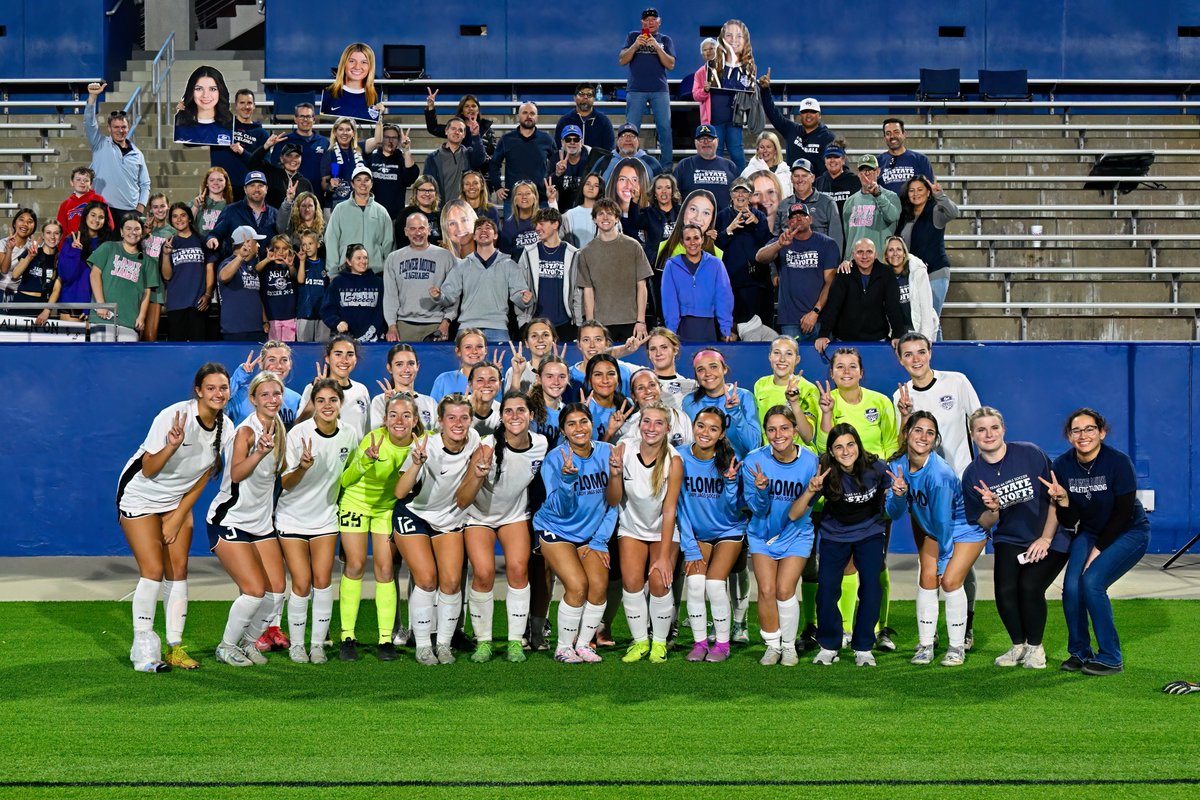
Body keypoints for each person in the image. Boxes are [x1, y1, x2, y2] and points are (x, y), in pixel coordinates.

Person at [116, 363, 233, 671]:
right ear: (198, 390)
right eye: (211, 388)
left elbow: (205, 475)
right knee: (153, 569)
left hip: (176, 501)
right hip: (140, 495)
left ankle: (175, 648)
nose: (218, 393)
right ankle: (143, 647)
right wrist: (171, 446)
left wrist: (179, 515)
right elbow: (149, 468)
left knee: (178, 569)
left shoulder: (228, 427)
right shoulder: (173, 416)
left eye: (223, 387)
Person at [960, 407, 1067, 670]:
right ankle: (1018, 645)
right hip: (1010, 537)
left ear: (1003, 429)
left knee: (1030, 587)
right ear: (973, 435)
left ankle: (1035, 648)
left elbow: (1056, 497)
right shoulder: (972, 474)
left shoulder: (1030, 453)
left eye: (994, 427)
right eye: (981, 430)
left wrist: (1045, 538)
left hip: (1052, 534)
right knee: (1005, 592)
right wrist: (993, 508)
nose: (989, 434)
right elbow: (985, 522)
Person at [1047, 408, 1151, 676]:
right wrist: (1063, 500)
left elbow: (1123, 513)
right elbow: (1070, 520)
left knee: (1092, 582)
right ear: (1069, 436)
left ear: (1102, 432)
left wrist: (1097, 550)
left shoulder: (1118, 462)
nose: (1083, 435)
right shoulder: (1062, 466)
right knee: (1071, 587)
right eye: (1076, 430)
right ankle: (1080, 652)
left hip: (1129, 530)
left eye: (1089, 429)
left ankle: (1111, 657)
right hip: (1091, 530)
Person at [886, 412, 987, 666]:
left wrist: (943, 562)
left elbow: (944, 522)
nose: (924, 437)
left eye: (930, 433)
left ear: (936, 439)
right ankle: (926, 645)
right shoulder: (898, 465)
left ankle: (956, 647)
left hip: (963, 528)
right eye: (918, 430)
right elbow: (894, 512)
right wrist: (898, 494)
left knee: (950, 581)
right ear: (907, 433)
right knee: (927, 579)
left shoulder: (939, 475)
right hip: (935, 527)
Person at [456, 391, 549, 663]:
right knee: (483, 573)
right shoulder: (486, 447)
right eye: (508, 411)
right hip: (479, 517)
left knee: (519, 570)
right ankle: (483, 641)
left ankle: (515, 641)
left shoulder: (541, 444)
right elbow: (462, 500)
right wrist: (477, 476)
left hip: (514, 515)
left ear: (531, 415)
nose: (515, 416)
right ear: (501, 416)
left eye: (521, 410)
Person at [815, 347, 900, 648]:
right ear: (832, 372)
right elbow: (820, 443)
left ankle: (879, 629)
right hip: (838, 494)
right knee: (844, 566)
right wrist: (825, 413)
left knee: (875, 563)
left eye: (853, 366)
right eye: (840, 366)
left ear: (862, 372)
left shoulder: (880, 401)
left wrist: (882, 480)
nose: (846, 371)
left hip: (873, 493)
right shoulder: (826, 400)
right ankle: (847, 629)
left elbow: (891, 442)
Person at [789, 423, 890, 666]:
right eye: (839, 447)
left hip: (870, 533)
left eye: (850, 445)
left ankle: (864, 647)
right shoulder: (825, 472)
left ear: (858, 445)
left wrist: (897, 493)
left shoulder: (877, 467)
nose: (846, 451)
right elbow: (795, 514)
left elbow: (893, 507)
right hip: (835, 535)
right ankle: (829, 645)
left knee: (871, 588)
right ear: (832, 452)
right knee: (827, 591)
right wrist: (811, 489)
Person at [206, 370, 289, 667]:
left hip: (261, 523)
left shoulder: (279, 427)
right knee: (254, 591)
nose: (271, 399)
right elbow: (237, 473)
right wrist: (259, 454)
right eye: (264, 394)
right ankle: (226, 646)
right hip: (230, 519)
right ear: (253, 399)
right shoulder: (246, 432)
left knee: (277, 591)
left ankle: (249, 642)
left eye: (276, 393)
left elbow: (282, 477)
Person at [393, 394, 481, 664]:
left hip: (449, 517)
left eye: (464, 417)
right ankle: (422, 645)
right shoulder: (425, 445)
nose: (458, 423)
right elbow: (399, 492)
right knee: (427, 579)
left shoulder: (475, 440)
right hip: (414, 513)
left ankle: (442, 644)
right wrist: (417, 462)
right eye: (451, 417)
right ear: (440, 421)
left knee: (453, 583)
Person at [335, 393, 423, 661]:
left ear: (415, 420)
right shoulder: (373, 439)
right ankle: (347, 637)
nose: (399, 420)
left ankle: (385, 639)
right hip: (356, 502)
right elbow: (346, 479)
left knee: (386, 569)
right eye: (393, 415)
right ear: (384, 419)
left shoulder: (422, 442)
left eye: (406, 415)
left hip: (386, 508)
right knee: (355, 565)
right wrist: (364, 462)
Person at [275, 378, 358, 663]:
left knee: (323, 582)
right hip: (292, 518)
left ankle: (317, 644)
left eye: (332, 400)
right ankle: (297, 645)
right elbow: (286, 482)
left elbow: (349, 478)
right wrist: (302, 467)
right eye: (320, 400)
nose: (326, 406)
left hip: (325, 519)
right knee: (301, 582)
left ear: (341, 404)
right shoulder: (298, 434)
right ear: (313, 403)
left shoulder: (349, 434)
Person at [532, 403, 618, 663]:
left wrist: (601, 540)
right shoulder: (556, 458)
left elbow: (615, 502)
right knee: (578, 586)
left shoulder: (608, 452)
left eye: (583, 421)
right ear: (563, 430)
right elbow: (560, 508)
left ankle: (583, 645)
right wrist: (568, 481)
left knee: (599, 588)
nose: (579, 428)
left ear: (592, 424)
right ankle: (563, 647)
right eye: (571, 424)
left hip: (591, 535)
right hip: (556, 529)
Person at [743, 405, 820, 665]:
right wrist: (762, 490)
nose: (778, 434)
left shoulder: (810, 461)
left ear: (795, 431)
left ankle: (789, 646)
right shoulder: (754, 461)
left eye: (785, 428)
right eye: (771, 429)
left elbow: (802, 510)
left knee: (785, 589)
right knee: (766, 589)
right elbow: (756, 508)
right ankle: (772, 645)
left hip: (796, 533)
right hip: (762, 533)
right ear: (765, 432)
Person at [607, 403, 683, 663]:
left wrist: (663, 557)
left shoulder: (674, 461)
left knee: (660, 582)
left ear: (668, 428)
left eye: (658, 423)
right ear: (639, 425)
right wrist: (615, 475)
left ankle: (659, 643)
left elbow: (670, 510)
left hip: (663, 529)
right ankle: (640, 641)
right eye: (646, 422)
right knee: (631, 583)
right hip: (632, 527)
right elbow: (614, 498)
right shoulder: (624, 450)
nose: (651, 428)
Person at [676, 407, 744, 662]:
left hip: (728, 530)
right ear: (693, 425)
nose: (705, 433)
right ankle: (700, 642)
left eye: (713, 429)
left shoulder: (729, 458)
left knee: (715, 585)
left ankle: (723, 644)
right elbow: (677, 505)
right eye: (701, 426)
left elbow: (733, 508)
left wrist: (729, 484)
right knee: (694, 584)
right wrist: (690, 544)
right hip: (697, 533)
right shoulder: (679, 457)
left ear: (722, 433)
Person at [437, 217, 533, 342]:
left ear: (496, 235)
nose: (483, 231)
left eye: (488, 228)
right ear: (474, 236)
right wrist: (439, 296)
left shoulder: (509, 264)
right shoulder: (462, 266)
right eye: (479, 228)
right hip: (467, 328)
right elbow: (448, 297)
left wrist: (525, 299)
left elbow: (520, 297)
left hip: (498, 328)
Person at [756, 202, 839, 342]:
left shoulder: (827, 244)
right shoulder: (781, 241)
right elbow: (760, 257)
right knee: (792, 362)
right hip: (790, 320)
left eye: (803, 215)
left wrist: (815, 312)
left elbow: (830, 282)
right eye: (794, 217)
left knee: (822, 363)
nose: (799, 218)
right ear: (789, 222)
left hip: (820, 318)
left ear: (810, 219)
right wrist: (779, 245)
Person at [575, 198, 652, 342]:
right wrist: (591, 325)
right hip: (601, 324)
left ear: (617, 218)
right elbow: (588, 291)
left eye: (610, 214)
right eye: (601, 214)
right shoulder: (586, 252)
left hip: (630, 321)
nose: (605, 217)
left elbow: (642, 286)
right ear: (594, 219)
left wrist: (641, 321)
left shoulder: (633, 246)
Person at [815, 238, 909, 353]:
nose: (865, 256)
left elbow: (893, 306)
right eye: (860, 252)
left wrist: (898, 334)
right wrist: (823, 334)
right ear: (853, 254)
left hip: (877, 339)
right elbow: (833, 306)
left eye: (869, 252)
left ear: (875, 254)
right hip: (844, 341)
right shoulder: (844, 273)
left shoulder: (886, 273)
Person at [383, 212, 454, 342]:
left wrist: (446, 321)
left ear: (429, 230)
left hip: (436, 324)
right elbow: (390, 296)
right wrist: (391, 325)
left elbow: (454, 294)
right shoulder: (394, 258)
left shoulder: (445, 256)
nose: (418, 233)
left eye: (421, 228)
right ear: (405, 231)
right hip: (404, 324)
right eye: (413, 228)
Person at [84, 81, 150, 220]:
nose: (120, 131)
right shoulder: (99, 144)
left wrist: (140, 208)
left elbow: (145, 184)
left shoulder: (137, 154)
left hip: (129, 212)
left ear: (128, 127)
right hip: (102, 210)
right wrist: (92, 98)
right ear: (109, 128)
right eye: (116, 127)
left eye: (123, 127)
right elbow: (89, 123)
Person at [37, 202, 112, 324]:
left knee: (98, 343)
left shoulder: (109, 244)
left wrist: (94, 304)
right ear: (85, 216)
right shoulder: (71, 239)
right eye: (93, 215)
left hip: (99, 305)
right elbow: (66, 276)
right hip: (73, 302)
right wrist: (75, 252)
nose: (96, 220)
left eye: (101, 217)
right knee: (72, 342)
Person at [619, 8, 676, 167]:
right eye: (647, 20)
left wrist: (658, 47)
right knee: (630, 130)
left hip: (660, 90)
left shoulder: (665, 40)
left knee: (665, 129)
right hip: (636, 90)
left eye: (653, 19)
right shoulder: (632, 36)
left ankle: (666, 168)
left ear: (659, 21)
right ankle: (628, 163)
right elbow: (622, 60)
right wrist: (635, 45)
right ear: (642, 22)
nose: (650, 22)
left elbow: (670, 64)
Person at [898, 175, 958, 321]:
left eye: (920, 189)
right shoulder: (905, 215)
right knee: (919, 318)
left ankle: (934, 345)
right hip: (914, 273)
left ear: (928, 192)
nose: (915, 194)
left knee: (931, 319)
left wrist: (940, 194)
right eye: (912, 190)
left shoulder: (936, 211)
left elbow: (954, 212)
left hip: (935, 272)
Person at [660, 222, 734, 341]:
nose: (692, 242)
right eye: (688, 239)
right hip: (682, 327)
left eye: (696, 238)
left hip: (709, 325)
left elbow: (724, 297)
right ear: (682, 243)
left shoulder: (716, 264)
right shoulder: (671, 266)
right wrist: (671, 331)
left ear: (702, 239)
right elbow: (669, 300)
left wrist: (725, 328)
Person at [519, 207, 582, 341]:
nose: (537, 228)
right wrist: (523, 321)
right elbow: (519, 288)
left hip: (565, 325)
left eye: (541, 223)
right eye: (536, 224)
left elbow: (577, 292)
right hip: (535, 325)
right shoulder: (529, 253)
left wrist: (578, 324)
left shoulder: (573, 254)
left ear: (555, 224)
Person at [715, 177, 772, 326]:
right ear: (731, 195)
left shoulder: (759, 216)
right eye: (736, 191)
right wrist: (729, 230)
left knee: (756, 327)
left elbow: (767, 243)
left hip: (756, 281)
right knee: (734, 326)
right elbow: (716, 248)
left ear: (751, 195)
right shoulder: (721, 216)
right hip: (730, 281)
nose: (740, 195)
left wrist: (756, 223)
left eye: (744, 192)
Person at [682, 349, 759, 458]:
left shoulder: (744, 396)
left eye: (713, 366)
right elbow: (688, 443)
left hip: (735, 470)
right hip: (702, 470)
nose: (708, 373)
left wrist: (736, 413)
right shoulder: (689, 401)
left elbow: (754, 446)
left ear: (724, 369)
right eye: (701, 369)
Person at [88, 213, 154, 335]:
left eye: (137, 229)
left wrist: (141, 317)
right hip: (103, 317)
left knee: (126, 355)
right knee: (102, 354)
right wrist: (101, 304)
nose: (132, 232)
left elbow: (146, 291)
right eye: (128, 229)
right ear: (121, 232)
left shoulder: (147, 261)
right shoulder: (108, 247)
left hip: (130, 321)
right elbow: (94, 275)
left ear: (142, 232)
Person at [703, 19, 756, 172]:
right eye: (729, 35)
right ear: (722, 39)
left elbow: (750, 91)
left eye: (738, 36)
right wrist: (705, 89)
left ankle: (742, 186)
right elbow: (697, 93)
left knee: (737, 155)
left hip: (735, 118)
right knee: (716, 154)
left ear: (745, 39)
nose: (733, 40)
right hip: (716, 117)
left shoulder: (748, 66)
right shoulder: (711, 64)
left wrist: (757, 87)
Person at [297, 334, 372, 441]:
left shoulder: (361, 390)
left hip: (356, 457)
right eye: (338, 354)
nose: (344, 360)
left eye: (350, 354)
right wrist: (316, 395)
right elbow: (298, 428)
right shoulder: (312, 388)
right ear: (327, 358)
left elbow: (367, 433)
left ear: (356, 359)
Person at [757, 80, 836, 178]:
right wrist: (765, 90)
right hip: (792, 187)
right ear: (800, 114)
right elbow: (773, 114)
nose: (808, 115)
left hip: (817, 189)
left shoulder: (828, 137)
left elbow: (837, 164)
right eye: (804, 111)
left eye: (812, 112)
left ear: (819, 115)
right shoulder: (791, 130)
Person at [159, 203, 214, 341]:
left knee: (199, 347)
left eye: (183, 215)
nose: (179, 219)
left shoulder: (202, 240)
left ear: (190, 218)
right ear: (171, 220)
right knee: (177, 349)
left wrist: (208, 294)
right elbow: (167, 276)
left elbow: (209, 268)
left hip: (198, 304)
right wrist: (166, 254)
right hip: (175, 304)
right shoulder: (169, 243)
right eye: (175, 216)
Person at [323, 166, 394, 273]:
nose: (363, 183)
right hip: (346, 272)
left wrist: (387, 271)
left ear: (371, 184)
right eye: (358, 180)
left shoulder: (381, 212)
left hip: (374, 273)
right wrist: (332, 271)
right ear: (352, 184)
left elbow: (389, 244)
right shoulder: (340, 209)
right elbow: (331, 240)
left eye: (366, 180)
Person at [489, 102, 557, 209]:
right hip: (513, 201)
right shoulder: (506, 140)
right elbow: (494, 164)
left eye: (532, 113)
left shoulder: (547, 139)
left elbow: (556, 164)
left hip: (540, 200)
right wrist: (497, 186)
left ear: (537, 117)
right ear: (518, 116)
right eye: (525, 113)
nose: (529, 116)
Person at [227, 340, 303, 427]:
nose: (278, 366)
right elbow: (219, 406)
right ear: (261, 363)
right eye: (272, 360)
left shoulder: (296, 399)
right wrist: (239, 376)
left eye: (284, 360)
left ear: (290, 364)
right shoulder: (241, 395)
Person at [210, 89, 269, 200]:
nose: (246, 107)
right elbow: (189, 142)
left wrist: (243, 152)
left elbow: (264, 165)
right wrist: (185, 113)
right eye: (242, 103)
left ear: (254, 106)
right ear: (236, 105)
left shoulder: (261, 134)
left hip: (246, 191)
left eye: (249, 103)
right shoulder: (222, 126)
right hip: (220, 189)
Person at [841, 155, 901, 263]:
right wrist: (847, 259)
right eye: (863, 170)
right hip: (854, 264)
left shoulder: (891, 196)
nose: (866, 174)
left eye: (870, 170)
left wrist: (878, 194)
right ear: (858, 174)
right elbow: (848, 236)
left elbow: (893, 217)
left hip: (880, 263)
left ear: (878, 172)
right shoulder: (849, 202)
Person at [207, 171, 278, 262]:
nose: (256, 189)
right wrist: (212, 239)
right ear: (245, 189)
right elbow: (215, 233)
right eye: (252, 185)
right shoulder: (231, 210)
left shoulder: (275, 213)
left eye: (260, 185)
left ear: (266, 188)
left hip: (266, 270)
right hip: (238, 270)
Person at [424, 91, 498, 178]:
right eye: (467, 106)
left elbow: (494, 157)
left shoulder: (487, 129)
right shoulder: (456, 129)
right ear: (462, 111)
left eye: (473, 106)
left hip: (482, 178)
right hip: (459, 176)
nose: (470, 108)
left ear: (478, 110)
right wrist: (431, 107)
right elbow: (434, 128)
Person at [322, 244, 385, 342]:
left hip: (372, 340)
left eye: (365, 258)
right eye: (358, 258)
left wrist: (370, 333)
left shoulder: (378, 283)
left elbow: (381, 311)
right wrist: (337, 322)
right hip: (343, 340)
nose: (363, 261)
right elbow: (327, 309)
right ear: (349, 261)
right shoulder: (337, 283)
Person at [779, 157, 843, 255]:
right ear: (791, 179)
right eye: (796, 176)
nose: (800, 180)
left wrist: (833, 265)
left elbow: (836, 238)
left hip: (820, 262)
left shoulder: (827, 203)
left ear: (812, 178)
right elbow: (775, 238)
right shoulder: (783, 205)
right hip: (790, 263)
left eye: (804, 176)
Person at [371, 344, 439, 432]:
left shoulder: (430, 402)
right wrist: (389, 406)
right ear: (389, 368)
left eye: (411, 364)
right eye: (399, 364)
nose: (406, 369)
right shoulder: (380, 401)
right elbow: (378, 436)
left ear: (417, 366)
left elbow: (438, 437)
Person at [883, 236, 938, 341]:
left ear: (904, 253)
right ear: (886, 255)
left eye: (899, 249)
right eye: (890, 250)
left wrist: (925, 337)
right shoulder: (883, 276)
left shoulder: (917, 271)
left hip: (923, 327)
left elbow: (926, 306)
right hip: (900, 331)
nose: (895, 253)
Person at [217, 226, 266, 341]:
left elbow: (255, 296)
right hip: (236, 330)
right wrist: (240, 257)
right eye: (256, 241)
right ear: (247, 242)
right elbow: (223, 276)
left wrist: (264, 321)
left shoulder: (250, 266)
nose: (258, 245)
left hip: (255, 328)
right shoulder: (228, 263)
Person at [422, 116, 484, 206]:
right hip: (441, 211)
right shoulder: (432, 158)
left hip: (465, 209)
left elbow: (480, 159)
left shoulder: (469, 154)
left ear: (464, 135)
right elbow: (428, 186)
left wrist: (476, 135)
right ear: (446, 131)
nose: (457, 132)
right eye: (453, 129)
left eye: (460, 130)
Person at [269, 102, 329, 194]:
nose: (305, 119)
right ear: (295, 119)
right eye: (301, 116)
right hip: (289, 194)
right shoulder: (284, 141)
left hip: (316, 195)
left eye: (308, 116)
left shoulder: (324, 142)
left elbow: (329, 169)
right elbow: (274, 167)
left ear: (314, 119)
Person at [675, 125, 739, 209]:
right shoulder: (684, 165)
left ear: (717, 141)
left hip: (724, 221)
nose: (706, 142)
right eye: (702, 139)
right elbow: (674, 195)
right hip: (693, 220)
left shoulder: (730, 166)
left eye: (710, 138)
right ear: (695, 142)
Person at [365, 124, 419, 220]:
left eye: (394, 138)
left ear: (398, 141)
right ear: (381, 139)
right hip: (372, 215)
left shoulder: (402, 160)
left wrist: (406, 150)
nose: (390, 141)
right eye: (387, 137)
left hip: (395, 217)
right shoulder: (371, 159)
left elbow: (410, 178)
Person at [248, 137, 315, 210]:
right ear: (281, 158)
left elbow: (311, 208)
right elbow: (252, 163)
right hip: (272, 220)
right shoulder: (272, 173)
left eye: (297, 156)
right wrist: (266, 146)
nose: (293, 159)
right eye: (289, 156)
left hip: (297, 221)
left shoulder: (305, 183)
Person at [173, 66, 234, 146]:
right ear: (191, 91)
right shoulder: (178, 124)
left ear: (220, 91)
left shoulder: (231, 125)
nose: (205, 95)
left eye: (212, 89)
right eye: (199, 89)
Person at [321, 43, 381, 122]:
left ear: (370, 66)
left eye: (364, 62)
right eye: (352, 61)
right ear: (344, 64)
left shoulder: (378, 96)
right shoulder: (327, 94)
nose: (357, 67)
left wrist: (381, 119)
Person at [589, 122, 666, 183]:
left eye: (632, 136)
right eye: (623, 136)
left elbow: (662, 186)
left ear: (638, 141)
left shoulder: (651, 162)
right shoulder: (605, 161)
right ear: (617, 141)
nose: (628, 139)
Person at [9, 219, 61, 309]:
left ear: (60, 236)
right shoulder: (31, 251)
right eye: (48, 232)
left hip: (43, 304)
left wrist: (47, 309)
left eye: (56, 233)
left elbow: (56, 289)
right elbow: (15, 275)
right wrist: (30, 257)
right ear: (42, 235)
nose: (52, 236)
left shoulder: (61, 258)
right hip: (22, 301)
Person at [879, 118, 936, 195]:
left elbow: (930, 189)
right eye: (888, 133)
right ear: (884, 137)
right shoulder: (877, 162)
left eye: (896, 132)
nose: (892, 136)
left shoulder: (921, 160)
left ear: (904, 134)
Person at [320, 117, 367, 210]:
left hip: (358, 202)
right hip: (335, 205)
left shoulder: (360, 150)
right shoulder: (329, 154)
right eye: (340, 129)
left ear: (353, 133)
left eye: (348, 130)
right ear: (335, 133)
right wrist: (331, 186)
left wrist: (380, 117)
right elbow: (323, 184)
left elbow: (378, 141)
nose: (344, 133)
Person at [555, 83, 615, 155]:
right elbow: (559, 147)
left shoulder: (604, 121)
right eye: (581, 94)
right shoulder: (564, 121)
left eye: (589, 95)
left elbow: (608, 150)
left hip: (596, 165)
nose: (585, 97)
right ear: (574, 98)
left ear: (594, 99)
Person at [430, 328, 489, 399]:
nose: (474, 351)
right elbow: (433, 408)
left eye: (479, 347)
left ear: (485, 350)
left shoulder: (493, 381)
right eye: (468, 347)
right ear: (458, 351)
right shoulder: (444, 380)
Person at [637, 172, 679, 270]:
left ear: (672, 191)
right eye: (659, 188)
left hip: (679, 264)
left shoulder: (683, 212)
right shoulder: (648, 213)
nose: (664, 191)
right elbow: (634, 222)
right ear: (654, 193)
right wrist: (634, 201)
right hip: (655, 266)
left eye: (668, 187)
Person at [56, 167, 114, 235]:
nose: (82, 182)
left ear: (90, 184)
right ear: (72, 182)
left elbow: (110, 225)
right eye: (78, 179)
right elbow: (61, 230)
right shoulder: (65, 204)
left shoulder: (98, 199)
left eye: (86, 180)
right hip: (72, 243)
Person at [393, 176, 444, 250]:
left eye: (431, 190)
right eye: (423, 190)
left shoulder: (441, 216)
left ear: (435, 193)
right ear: (415, 192)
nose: (427, 194)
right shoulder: (405, 215)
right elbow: (401, 244)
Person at [604, 157, 650, 240]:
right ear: (614, 182)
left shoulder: (652, 216)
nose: (628, 186)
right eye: (622, 179)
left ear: (642, 183)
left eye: (635, 180)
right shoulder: (603, 216)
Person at [295, 233, 329, 342]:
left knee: (322, 349)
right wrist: (301, 261)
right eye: (304, 244)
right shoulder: (301, 262)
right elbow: (300, 280)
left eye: (310, 243)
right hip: (305, 312)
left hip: (322, 314)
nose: (307, 247)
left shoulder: (325, 264)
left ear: (318, 244)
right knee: (304, 349)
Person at [550, 125, 592, 211]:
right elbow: (548, 186)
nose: (572, 142)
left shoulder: (591, 157)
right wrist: (557, 174)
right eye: (568, 140)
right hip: (562, 210)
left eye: (576, 139)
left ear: (581, 142)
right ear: (562, 142)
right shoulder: (555, 157)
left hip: (586, 210)